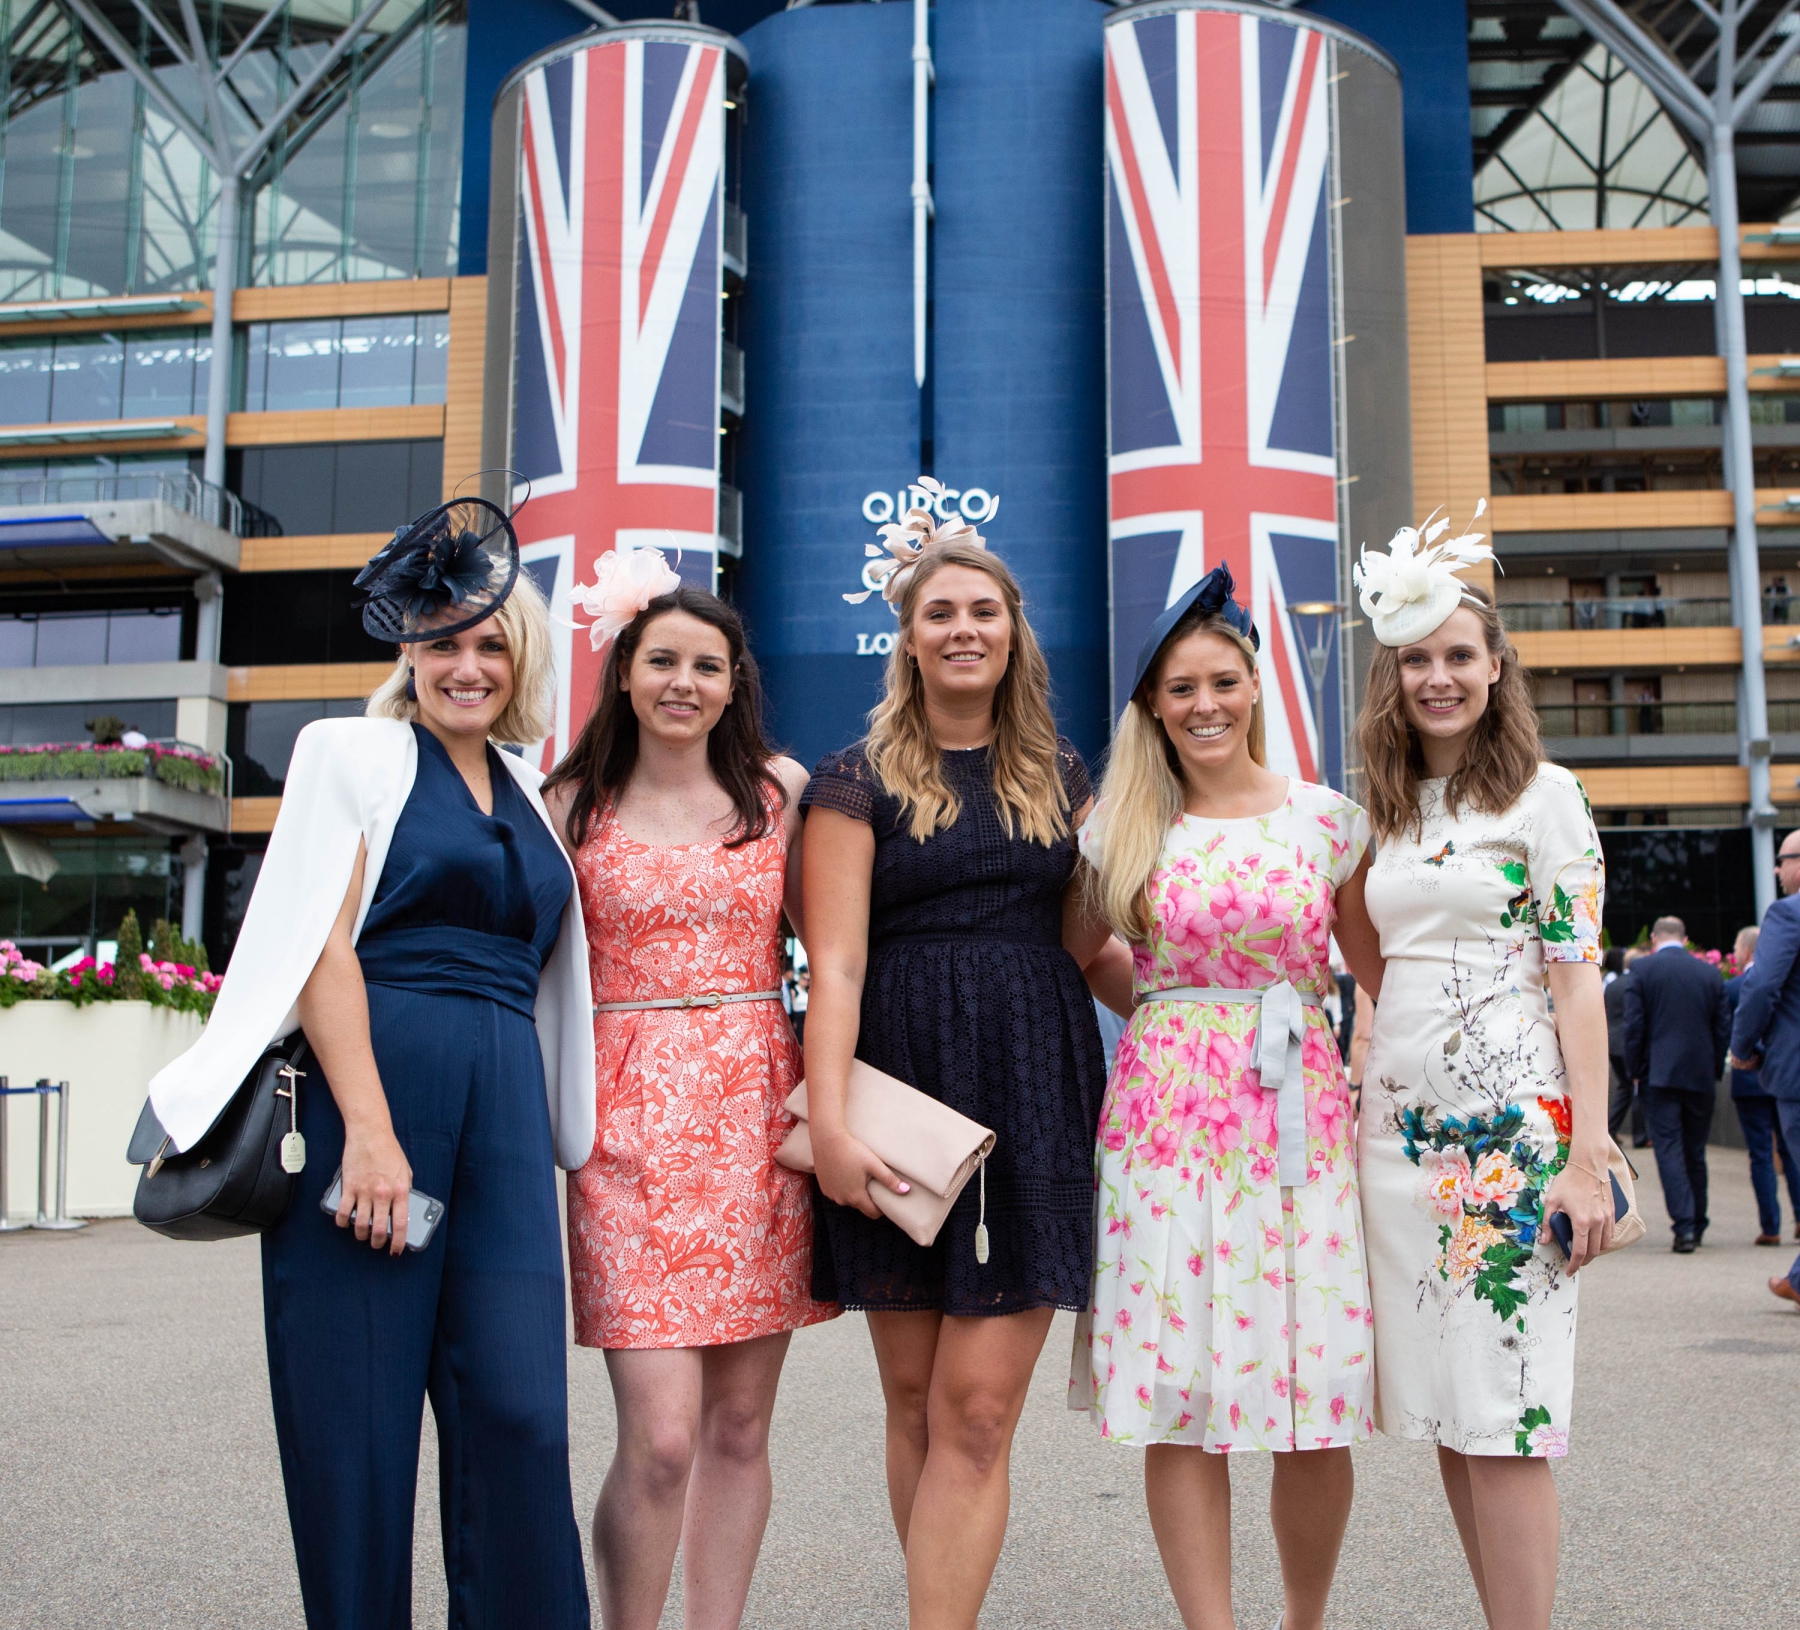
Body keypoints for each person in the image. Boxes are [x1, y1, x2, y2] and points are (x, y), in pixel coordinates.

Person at [146, 508, 594, 1628]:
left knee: (523, 1415)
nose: (468, 664)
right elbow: (319, 946)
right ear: (408, 650)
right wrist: (373, 1133)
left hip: (502, 1117)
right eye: (444, 640)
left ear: (522, 660)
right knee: (358, 1432)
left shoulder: (532, 786)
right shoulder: (348, 750)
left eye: (491, 644)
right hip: (372, 1100)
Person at [801, 484, 1121, 1629]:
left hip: (1037, 1087)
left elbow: (1093, 944)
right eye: (941, 612)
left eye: (983, 609)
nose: (964, 630)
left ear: (1013, 629)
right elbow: (833, 965)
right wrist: (828, 1123)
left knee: (978, 1410)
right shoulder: (855, 778)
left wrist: (1210, 1021)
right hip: (903, 1092)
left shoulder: (1063, 774)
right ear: (910, 634)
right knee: (914, 1398)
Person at [1071, 565, 1383, 1630]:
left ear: (1254, 686)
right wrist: (1174, 1008)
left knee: (1316, 1395)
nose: (1203, 704)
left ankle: (1303, 1618)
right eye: (1179, 687)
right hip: (1165, 1122)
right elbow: (1088, 952)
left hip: (1300, 1119)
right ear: (1152, 705)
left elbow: (1374, 972)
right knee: (1179, 1396)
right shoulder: (1120, 826)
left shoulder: (1330, 821)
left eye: (1222, 681)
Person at [542, 556, 835, 1630]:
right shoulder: (567, 803)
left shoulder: (782, 794)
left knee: (742, 1425)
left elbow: (833, 949)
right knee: (662, 1435)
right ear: (624, 672)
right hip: (623, 1131)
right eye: (661, 659)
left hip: (755, 1117)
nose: (683, 682)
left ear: (733, 681)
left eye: (706, 664)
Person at [1353, 514, 1613, 1630]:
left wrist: (1590, 1154)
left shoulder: (1545, 798)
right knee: (1454, 1416)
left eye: (1460, 654)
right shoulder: (1383, 809)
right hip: (1399, 1145)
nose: (1439, 675)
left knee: (1508, 1411)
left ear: (1496, 667)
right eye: (1418, 657)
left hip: (1514, 1142)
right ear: (1392, 675)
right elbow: (1370, 965)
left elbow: (1578, 980)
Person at [1622, 916, 1730, 1253]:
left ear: (1654, 937)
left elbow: (1635, 1027)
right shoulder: (1710, 974)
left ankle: (1684, 1227)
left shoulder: (1643, 971)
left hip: (1660, 1074)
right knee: (1694, 1150)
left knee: (1668, 1148)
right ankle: (1697, 1222)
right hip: (1699, 1075)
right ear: (1685, 938)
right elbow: (1722, 1027)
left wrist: (1635, 1069)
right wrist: (1714, 1067)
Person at [1729, 830, 1800, 1308]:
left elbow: (1759, 989)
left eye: (1783, 859)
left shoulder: (1788, 913)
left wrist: (1742, 1049)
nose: (1776, 869)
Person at [1723, 926, 1800, 1246]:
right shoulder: (1788, 984)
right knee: (1791, 1152)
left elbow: (1727, 1031)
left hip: (1750, 1078)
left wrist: (1740, 1055)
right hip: (1787, 1076)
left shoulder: (1734, 988)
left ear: (1747, 951)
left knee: (1760, 1156)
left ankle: (1771, 1227)